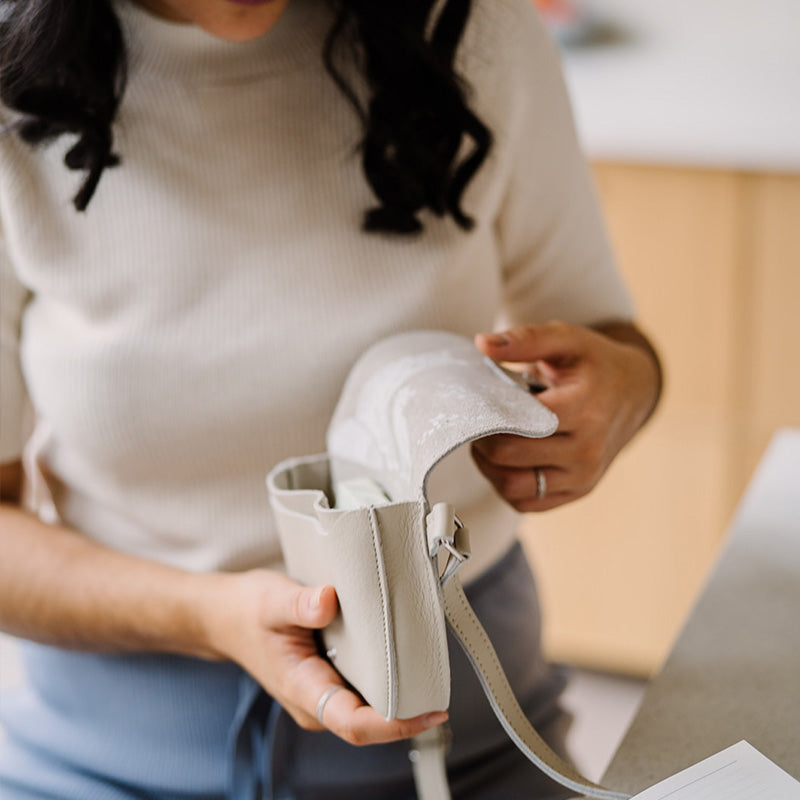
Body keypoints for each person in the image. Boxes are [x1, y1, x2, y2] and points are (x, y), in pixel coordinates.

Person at [0, 0, 661, 797]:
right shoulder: (10, 85)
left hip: (474, 743)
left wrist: (624, 391)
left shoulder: (474, 33)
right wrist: (203, 615)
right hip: (100, 759)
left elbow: (610, 341)